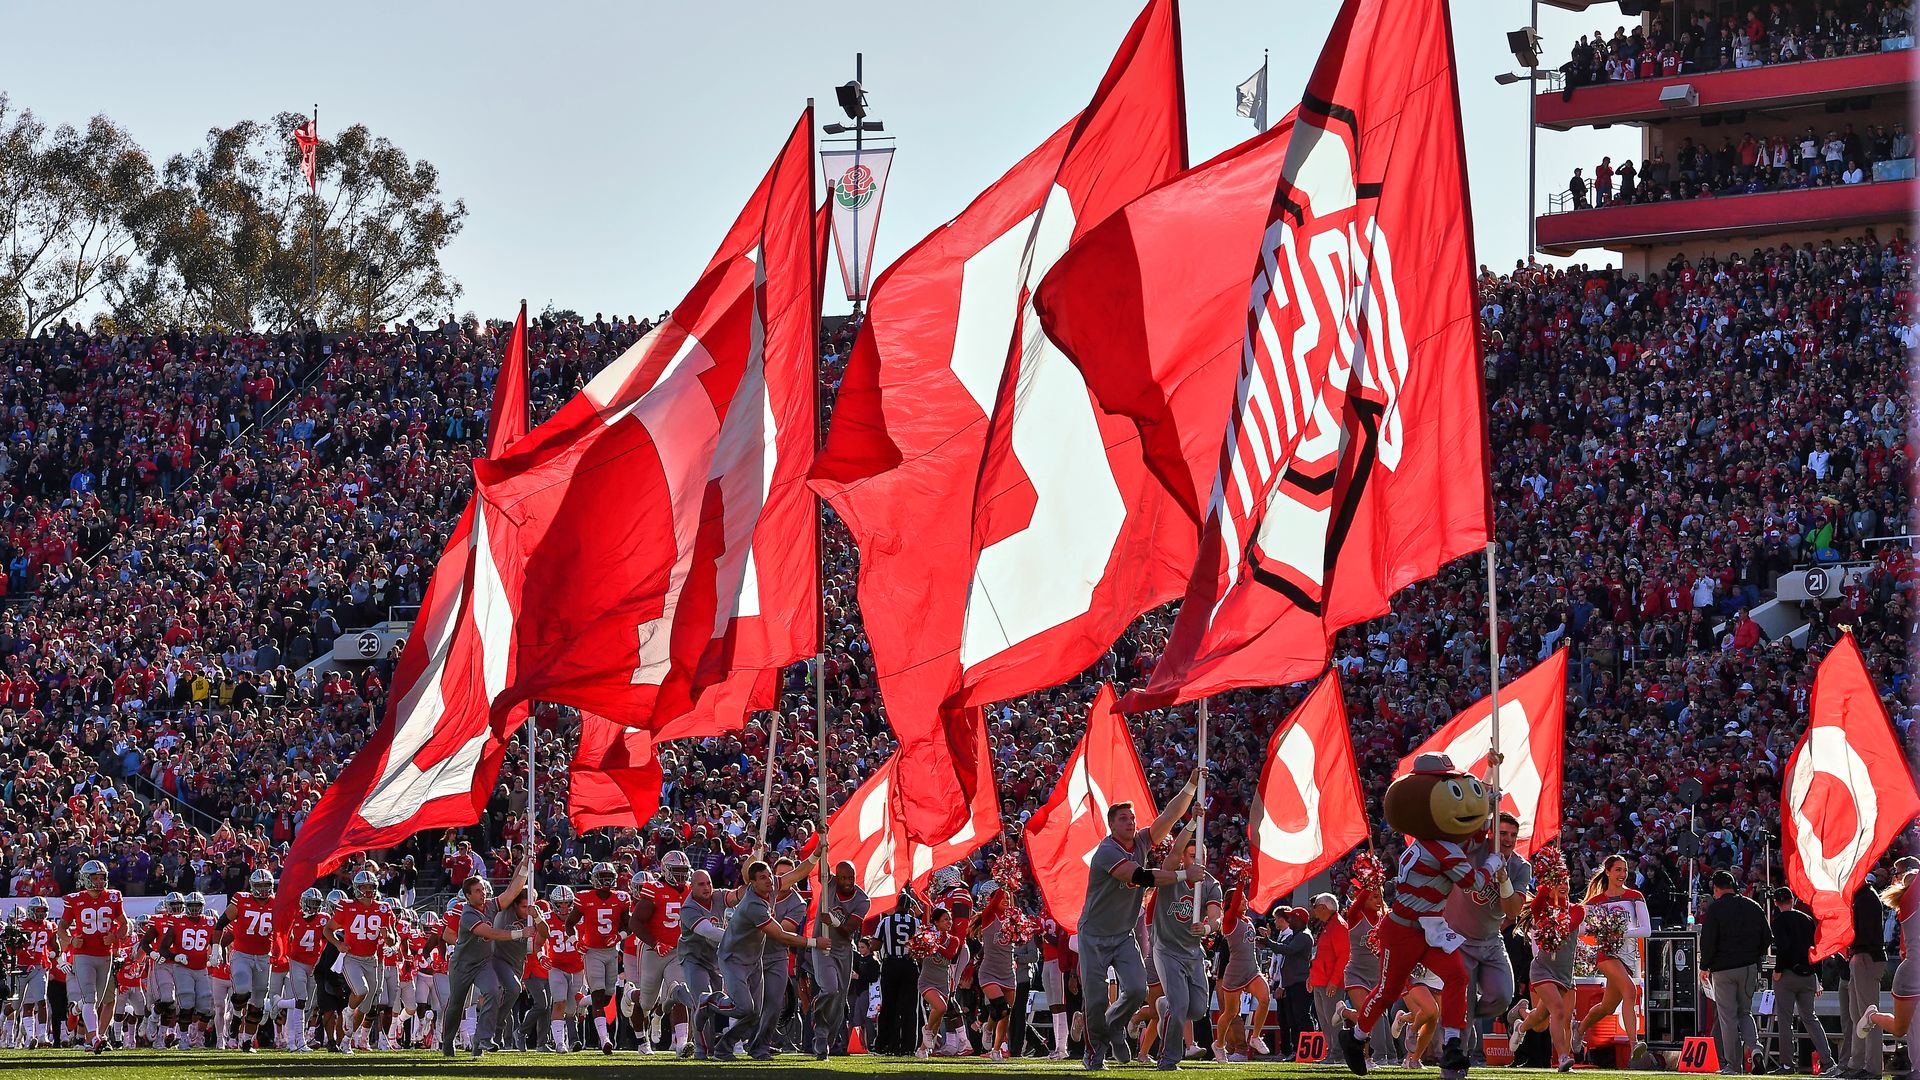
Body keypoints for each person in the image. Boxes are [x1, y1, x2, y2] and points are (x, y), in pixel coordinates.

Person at [1079, 771, 1200, 1070]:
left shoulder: (1142, 841)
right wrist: (1185, 875)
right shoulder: (1107, 851)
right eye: (1123, 818)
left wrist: (1192, 784)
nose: (1130, 822)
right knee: (1094, 1001)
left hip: (1122, 934)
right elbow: (1143, 877)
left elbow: (1169, 817)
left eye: (1132, 817)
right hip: (1093, 935)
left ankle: (1114, 1025)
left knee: (1136, 990)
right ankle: (1094, 1053)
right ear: (1111, 824)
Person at [696, 859, 825, 1061]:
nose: (770, 881)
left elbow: (800, 873)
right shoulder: (754, 904)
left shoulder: (789, 897)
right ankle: (710, 1001)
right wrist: (815, 942)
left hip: (763, 956)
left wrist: (817, 853)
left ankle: (729, 1048)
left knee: (760, 1011)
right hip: (735, 957)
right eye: (764, 877)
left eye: (772, 877)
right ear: (752, 883)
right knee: (745, 1008)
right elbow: (780, 934)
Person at [1447, 812, 1529, 1062]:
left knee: (1503, 997)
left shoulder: (1520, 866)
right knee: (1462, 1000)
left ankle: (1461, 1013)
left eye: (1513, 835)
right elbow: (1461, 829)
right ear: (1492, 832)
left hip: (1491, 939)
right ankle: (1456, 1056)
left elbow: (1513, 910)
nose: (1509, 839)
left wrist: (1504, 881)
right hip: (1458, 938)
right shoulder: (1473, 849)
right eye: (1503, 833)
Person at [1149, 816, 1221, 1071]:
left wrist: (1207, 927)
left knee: (1198, 1009)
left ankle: (1165, 1006)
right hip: (1167, 948)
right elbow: (1173, 852)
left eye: (1200, 855)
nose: (1196, 860)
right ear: (1184, 858)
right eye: (1191, 855)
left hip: (1193, 951)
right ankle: (1168, 1060)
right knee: (1179, 1006)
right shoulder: (1171, 875)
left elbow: (1216, 917)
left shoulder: (1211, 885)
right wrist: (1193, 822)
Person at [436, 862, 529, 1059]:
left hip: (483, 962)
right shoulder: (468, 914)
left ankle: (484, 1037)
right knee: (456, 1005)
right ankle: (448, 1040)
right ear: (468, 896)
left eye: (483, 889)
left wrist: (525, 865)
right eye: (477, 891)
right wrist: (521, 933)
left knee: (493, 991)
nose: (483, 893)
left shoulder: (489, 905)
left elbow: (513, 891)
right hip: (462, 965)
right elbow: (490, 933)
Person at [1508, 847, 1582, 1072]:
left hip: (1565, 973)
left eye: (1566, 881)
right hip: (1542, 970)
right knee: (1558, 1011)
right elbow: (1540, 896)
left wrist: (1558, 899)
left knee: (1540, 1021)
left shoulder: (1577, 910)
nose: (1563, 885)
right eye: (1558, 881)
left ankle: (1521, 1022)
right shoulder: (1540, 908)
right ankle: (1562, 1058)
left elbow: (1565, 927)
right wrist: (1550, 872)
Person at [1572, 854, 1651, 1059]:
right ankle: (1634, 1044)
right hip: (1606, 954)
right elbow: (1581, 929)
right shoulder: (1596, 901)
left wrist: (1620, 933)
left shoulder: (1635, 896)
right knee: (1630, 990)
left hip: (1628, 956)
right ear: (1607, 872)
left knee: (1608, 1007)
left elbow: (1646, 930)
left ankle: (1580, 1028)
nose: (1622, 874)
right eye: (1618, 870)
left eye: (1624, 870)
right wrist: (1599, 930)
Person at [1699, 870, 1769, 1074]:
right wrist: (1755, 957)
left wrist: (1705, 965)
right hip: (1748, 968)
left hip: (1723, 969)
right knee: (1745, 1013)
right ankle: (1755, 1048)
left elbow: (1709, 940)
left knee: (1727, 1018)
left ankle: (1733, 1065)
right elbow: (1767, 937)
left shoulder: (1715, 909)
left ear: (1716, 889)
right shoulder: (1753, 906)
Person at [1855, 858, 1920, 1077]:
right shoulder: (1910, 902)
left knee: (1910, 1028)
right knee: (1902, 1029)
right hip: (1911, 975)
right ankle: (1873, 1016)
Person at [56, 859, 126, 1054]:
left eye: (101, 877)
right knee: (90, 998)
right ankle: (95, 1038)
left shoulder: (113, 897)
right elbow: (61, 928)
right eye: (94, 878)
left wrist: (116, 935)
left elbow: (125, 924)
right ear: (85, 879)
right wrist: (70, 941)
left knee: (95, 1000)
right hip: (83, 954)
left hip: (105, 955)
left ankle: (74, 1011)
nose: (98, 881)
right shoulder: (74, 899)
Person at [1767, 886, 1833, 1076]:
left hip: (1787, 974)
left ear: (1777, 903)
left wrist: (1778, 970)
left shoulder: (1779, 921)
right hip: (1808, 975)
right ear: (1792, 900)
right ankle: (1828, 1061)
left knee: (1785, 1020)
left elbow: (1783, 947)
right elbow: (1816, 950)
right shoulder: (1807, 919)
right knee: (1810, 1019)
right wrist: (1818, 978)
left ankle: (1787, 1064)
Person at [565, 861, 629, 1055]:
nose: (606, 882)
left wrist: (619, 936)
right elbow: (570, 923)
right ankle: (604, 1039)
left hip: (611, 952)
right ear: (594, 880)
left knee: (608, 996)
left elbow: (630, 924)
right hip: (592, 952)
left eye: (609, 878)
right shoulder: (584, 898)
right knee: (599, 994)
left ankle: (584, 1002)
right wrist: (576, 942)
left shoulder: (621, 898)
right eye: (602, 878)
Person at [811, 860, 871, 1059]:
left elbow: (849, 929)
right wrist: (822, 843)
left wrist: (834, 921)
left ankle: (827, 1042)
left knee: (839, 1002)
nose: (847, 882)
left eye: (851, 878)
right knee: (830, 988)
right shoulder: (830, 884)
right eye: (843, 877)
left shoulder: (862, 899)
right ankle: (819, 1034)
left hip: (844, 950)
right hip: (823, 946)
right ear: (837, 876)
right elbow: (822, 871)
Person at [215, 867, 276, 1051]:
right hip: (242, 954)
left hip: (264, 957)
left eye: (267, 885)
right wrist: (216, 948)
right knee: (242, 989)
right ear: (252, 886)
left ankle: (247, 1041)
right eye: (260, 885)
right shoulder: (241, 899)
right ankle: (235, 1014)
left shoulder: (276, 903)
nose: (264, 890)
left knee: (258, 1005)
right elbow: (221, 923)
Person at [1840, 877, 1889, 1078]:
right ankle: (1857, 1064)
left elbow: (1865, 934)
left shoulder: (1866, 898)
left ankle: (1872, 1068)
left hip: (1867, 957)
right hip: (1861, 957)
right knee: (1858, 1016)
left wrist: (1846, 942)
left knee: (1869, 1016)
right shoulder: (1863, 897)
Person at [873, 896, 920, 1055]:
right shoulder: (916, 923)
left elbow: (875, 944)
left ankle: (886, 1044)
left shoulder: (885, 922)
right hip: (909, 964)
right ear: (910, 906)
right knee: (909, 1008)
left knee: (889, 1006)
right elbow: (922, 944)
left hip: (892, 964)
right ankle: (908, 1046)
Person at [1274, 906, 1315, 1059]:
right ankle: (1298, 1050)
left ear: (1300, 920)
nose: (1289, 920)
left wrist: (1268, 943)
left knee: (1301, 1017)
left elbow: (1288, 950)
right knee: (1292, 1019)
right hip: (1292, 983)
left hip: (1300, 983)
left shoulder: (1303, 936)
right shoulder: (1296, 935)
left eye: (1292, 917)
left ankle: (1308, 1050)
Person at [1309, 892, 1351, 1041]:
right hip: (1321, 980)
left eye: (1315, 907)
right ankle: (1331, 1050)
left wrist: (1334, 981)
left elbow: (1344, 956)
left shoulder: (1338, 926)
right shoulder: (1328, 925)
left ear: (1323, 907)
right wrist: (1311, 978)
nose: (1313, 910)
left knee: (1333, 1020)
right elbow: (1320, 955)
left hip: (1330, 983)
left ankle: (1337, 1052)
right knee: (1325, 1020)